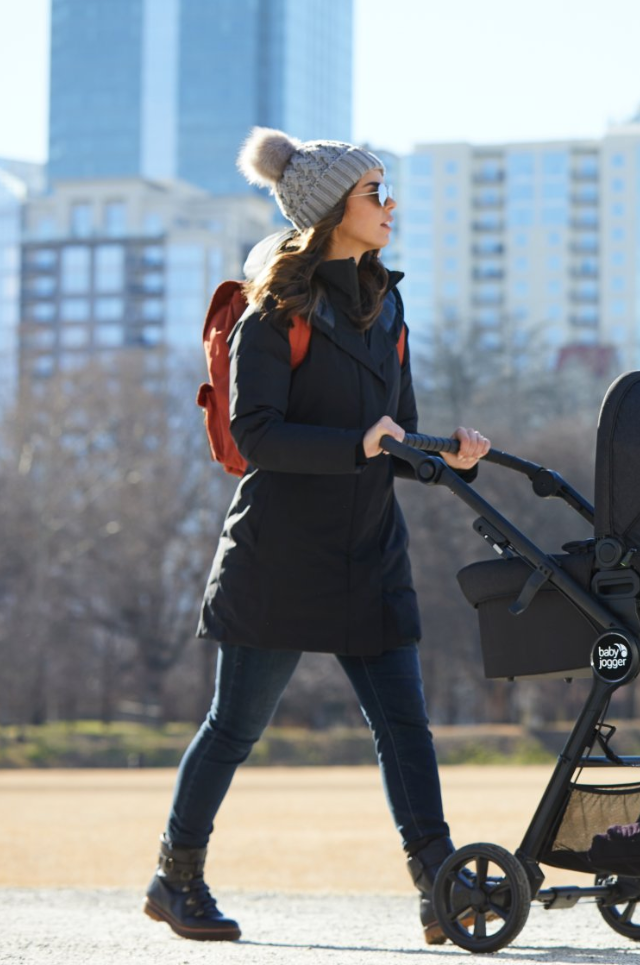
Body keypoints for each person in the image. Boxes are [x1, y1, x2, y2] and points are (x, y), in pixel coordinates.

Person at [143, 127, 489, 945]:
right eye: (376, 193)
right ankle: (175, 877)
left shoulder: (388, 306)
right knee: (235, 726)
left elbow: (394, 433)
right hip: (280, 557)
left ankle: (438, 883)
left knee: (405, 724)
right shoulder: (274, 314)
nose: (389, 204)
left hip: (370, 551)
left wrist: (451, 459)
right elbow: (257, 436)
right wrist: (357, 446)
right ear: (334, 208)